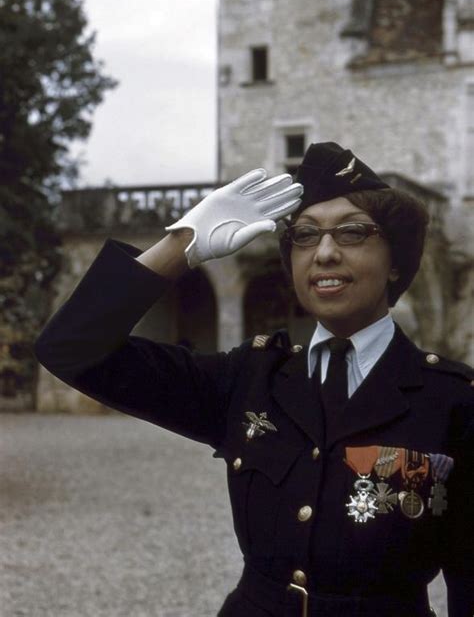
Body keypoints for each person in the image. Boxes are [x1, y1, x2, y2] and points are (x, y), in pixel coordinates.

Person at [35, 142, 474, 617]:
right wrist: (181, 244)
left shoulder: (452, 400)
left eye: (351, 233)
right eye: (304, 237)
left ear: (395, 262)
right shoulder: (249, 378)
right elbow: (70, 349)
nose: (324, 253)